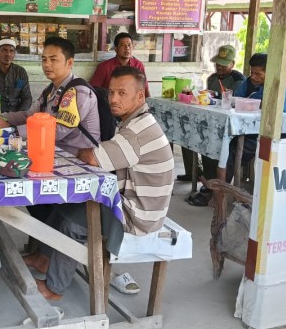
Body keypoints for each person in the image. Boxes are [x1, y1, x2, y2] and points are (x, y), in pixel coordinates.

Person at [24, 66, 174, 301]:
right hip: (133, 203)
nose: (113, 99)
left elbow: (94, 158)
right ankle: (44, 258)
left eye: (122, 93)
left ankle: (55, 288)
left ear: (140, 96)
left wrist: (85, 152)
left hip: (137, 216)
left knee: (72, 225)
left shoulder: (137, 130)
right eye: (111, 93)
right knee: (63, 206)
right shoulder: (137, 121)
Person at [0, 37, 99, 156]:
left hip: (78, 156)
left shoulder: (79, 92)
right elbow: (29, 115)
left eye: (53, 60)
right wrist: (2, 118)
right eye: (44, 60)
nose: (47, 65)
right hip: (53, 151)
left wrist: (14, 130)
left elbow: (58, 130)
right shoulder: (50, 90)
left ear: (69, 63)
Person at [183, 45, 246, 206]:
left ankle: (213, 188)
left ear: (232, 63)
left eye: (223, 64)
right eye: (217, 64)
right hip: (211, 122)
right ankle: (205, 180)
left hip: (230, 127)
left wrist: (215, 94)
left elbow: (233, 99)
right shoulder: (211, 78)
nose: (219, 67)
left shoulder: (239, 79)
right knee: (196, 140)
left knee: (218, 149)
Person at [214, 53, 286, 185]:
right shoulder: (249, 81)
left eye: (258, 74)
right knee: (218, 142)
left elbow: (275, 112)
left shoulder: (278, 86)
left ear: (270, 71)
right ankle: (215, 186)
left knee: (230, 150)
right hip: (245, 129)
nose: (253, 77)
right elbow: (236, 98)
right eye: (252, 72)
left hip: (265, 134)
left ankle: (219, 191)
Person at [89, 32, 149, 97]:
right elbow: (93, 90)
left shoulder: (138, 65)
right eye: (123, 45)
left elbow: (145, 89)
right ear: (116, 49)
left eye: (129, 45)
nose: (127, 48)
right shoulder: (104, 67)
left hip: (133, 105)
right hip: (111, 104)